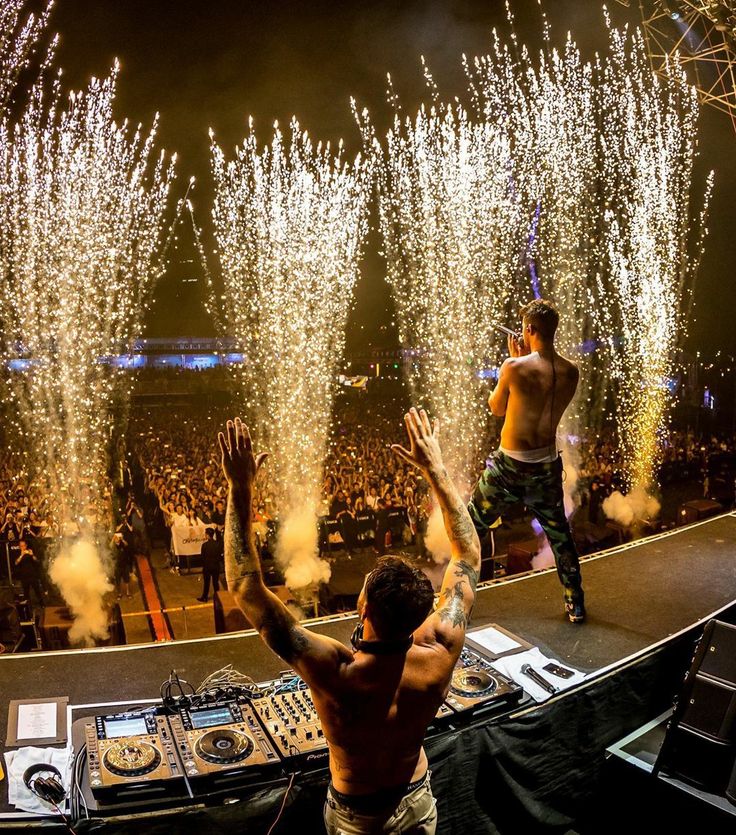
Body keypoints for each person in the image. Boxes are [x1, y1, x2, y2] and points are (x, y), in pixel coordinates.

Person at [219, 410, 480, 835]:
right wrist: (434, 467)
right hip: (416, 803)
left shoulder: (336, 672)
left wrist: (240, 488)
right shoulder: (441, 647)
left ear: (364, 608)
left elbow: (245, 586)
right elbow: (467, 554)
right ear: (422, 612)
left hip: (358, 820)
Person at [468, 298, 585, 622]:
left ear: (529, 329)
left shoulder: (513, 367)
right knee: (560, 537)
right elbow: (540, 393)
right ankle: (575, 603)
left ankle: (456, 599)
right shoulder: (571, 371)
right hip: (545, 468)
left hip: (508, 469)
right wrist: (523, 360)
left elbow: (497, 407)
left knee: (470, 526)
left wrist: (514, 360)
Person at [14, 539, 44, 606]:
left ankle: (42, 604)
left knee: (37, 590)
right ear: (19, 546)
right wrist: (21, 555)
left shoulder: (30, 551)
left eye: (24, 545)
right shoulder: (18, 553)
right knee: (26, 591)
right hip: (24, 576)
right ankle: (28, 606)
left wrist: (32, 555)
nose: (22, 547)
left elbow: (37, 561)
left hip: (32, 574)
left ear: (26, 545)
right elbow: (16, 563)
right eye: (21, 546)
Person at [197, 527, 222, 603]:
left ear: (207, 535)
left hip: (207, 567)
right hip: (216, 566)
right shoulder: (217, 544)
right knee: (215, 583)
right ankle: (218, 598)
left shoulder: (204, 545)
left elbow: (202, 557)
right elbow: (219, 555)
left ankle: (204, 597)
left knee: (207, 583)